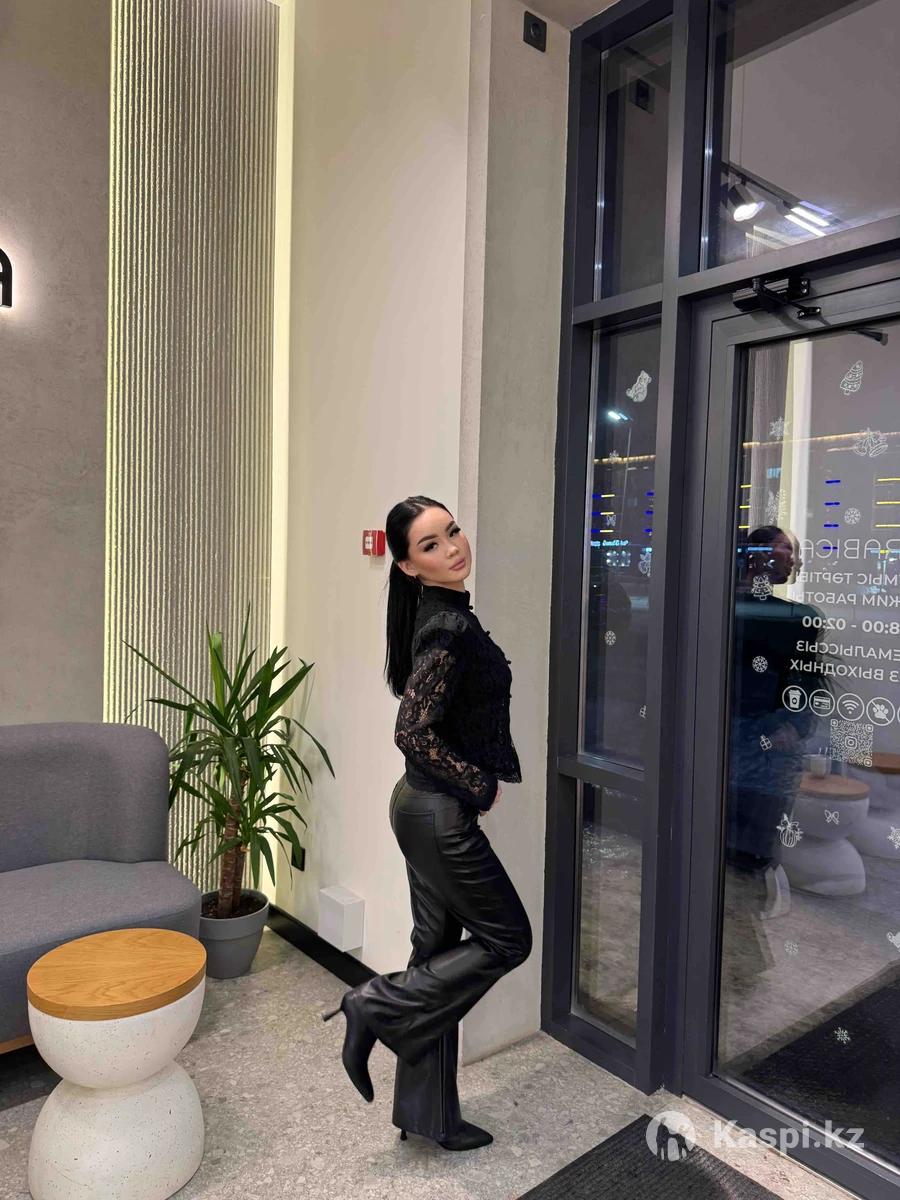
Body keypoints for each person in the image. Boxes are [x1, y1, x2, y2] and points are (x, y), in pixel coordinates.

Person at [322, 495, 532, 1151]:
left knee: (437, 958)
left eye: (453, 531)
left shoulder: (442, 613)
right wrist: (479, 784)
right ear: (410, 566)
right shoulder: (446, 627)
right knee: (509, 940)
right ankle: (373, 1004)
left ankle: (427, 1115)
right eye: (432, 544)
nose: (454, 547)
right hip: (437, 813)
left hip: (423, 808)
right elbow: (412, 731)